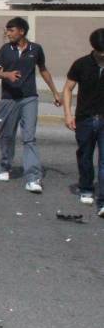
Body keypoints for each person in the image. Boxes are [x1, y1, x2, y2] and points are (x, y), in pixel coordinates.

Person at [0, 17, 62, 193]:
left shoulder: (35, 49)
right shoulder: (5, 49)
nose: (8, 33)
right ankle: (5, 165)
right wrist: (7, 75)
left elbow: (43, 70)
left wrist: (55, 92)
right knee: (7, 136)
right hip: (8, 99)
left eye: (11, 30)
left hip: (29, 98)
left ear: (22, 31)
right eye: (7, 30)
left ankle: (33, 178)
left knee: (29, 138)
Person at [62, 28, 104, 216]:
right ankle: (86, 187)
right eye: (100, 52)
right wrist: (68, 114)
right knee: (85, 156)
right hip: (85, 119)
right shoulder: (81, 64)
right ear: (94, 48)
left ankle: (102, 202)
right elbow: (68, 89)